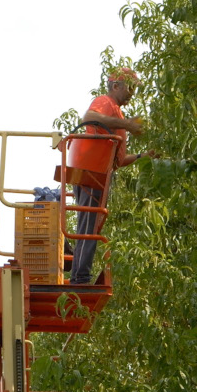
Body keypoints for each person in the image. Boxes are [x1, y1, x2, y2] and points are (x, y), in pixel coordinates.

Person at [68, 67, 155, 285]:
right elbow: (89, 117)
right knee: (88, 225)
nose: (132, 92)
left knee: (90, 224)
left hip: (98, 172)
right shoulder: (106, 102)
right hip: (92, 171)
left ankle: (80, 273)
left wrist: (144, 156)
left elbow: (117, 161)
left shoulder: (116, 112)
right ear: (116, 86)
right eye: (130, 87)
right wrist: (127, 125)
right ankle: (80, 277)